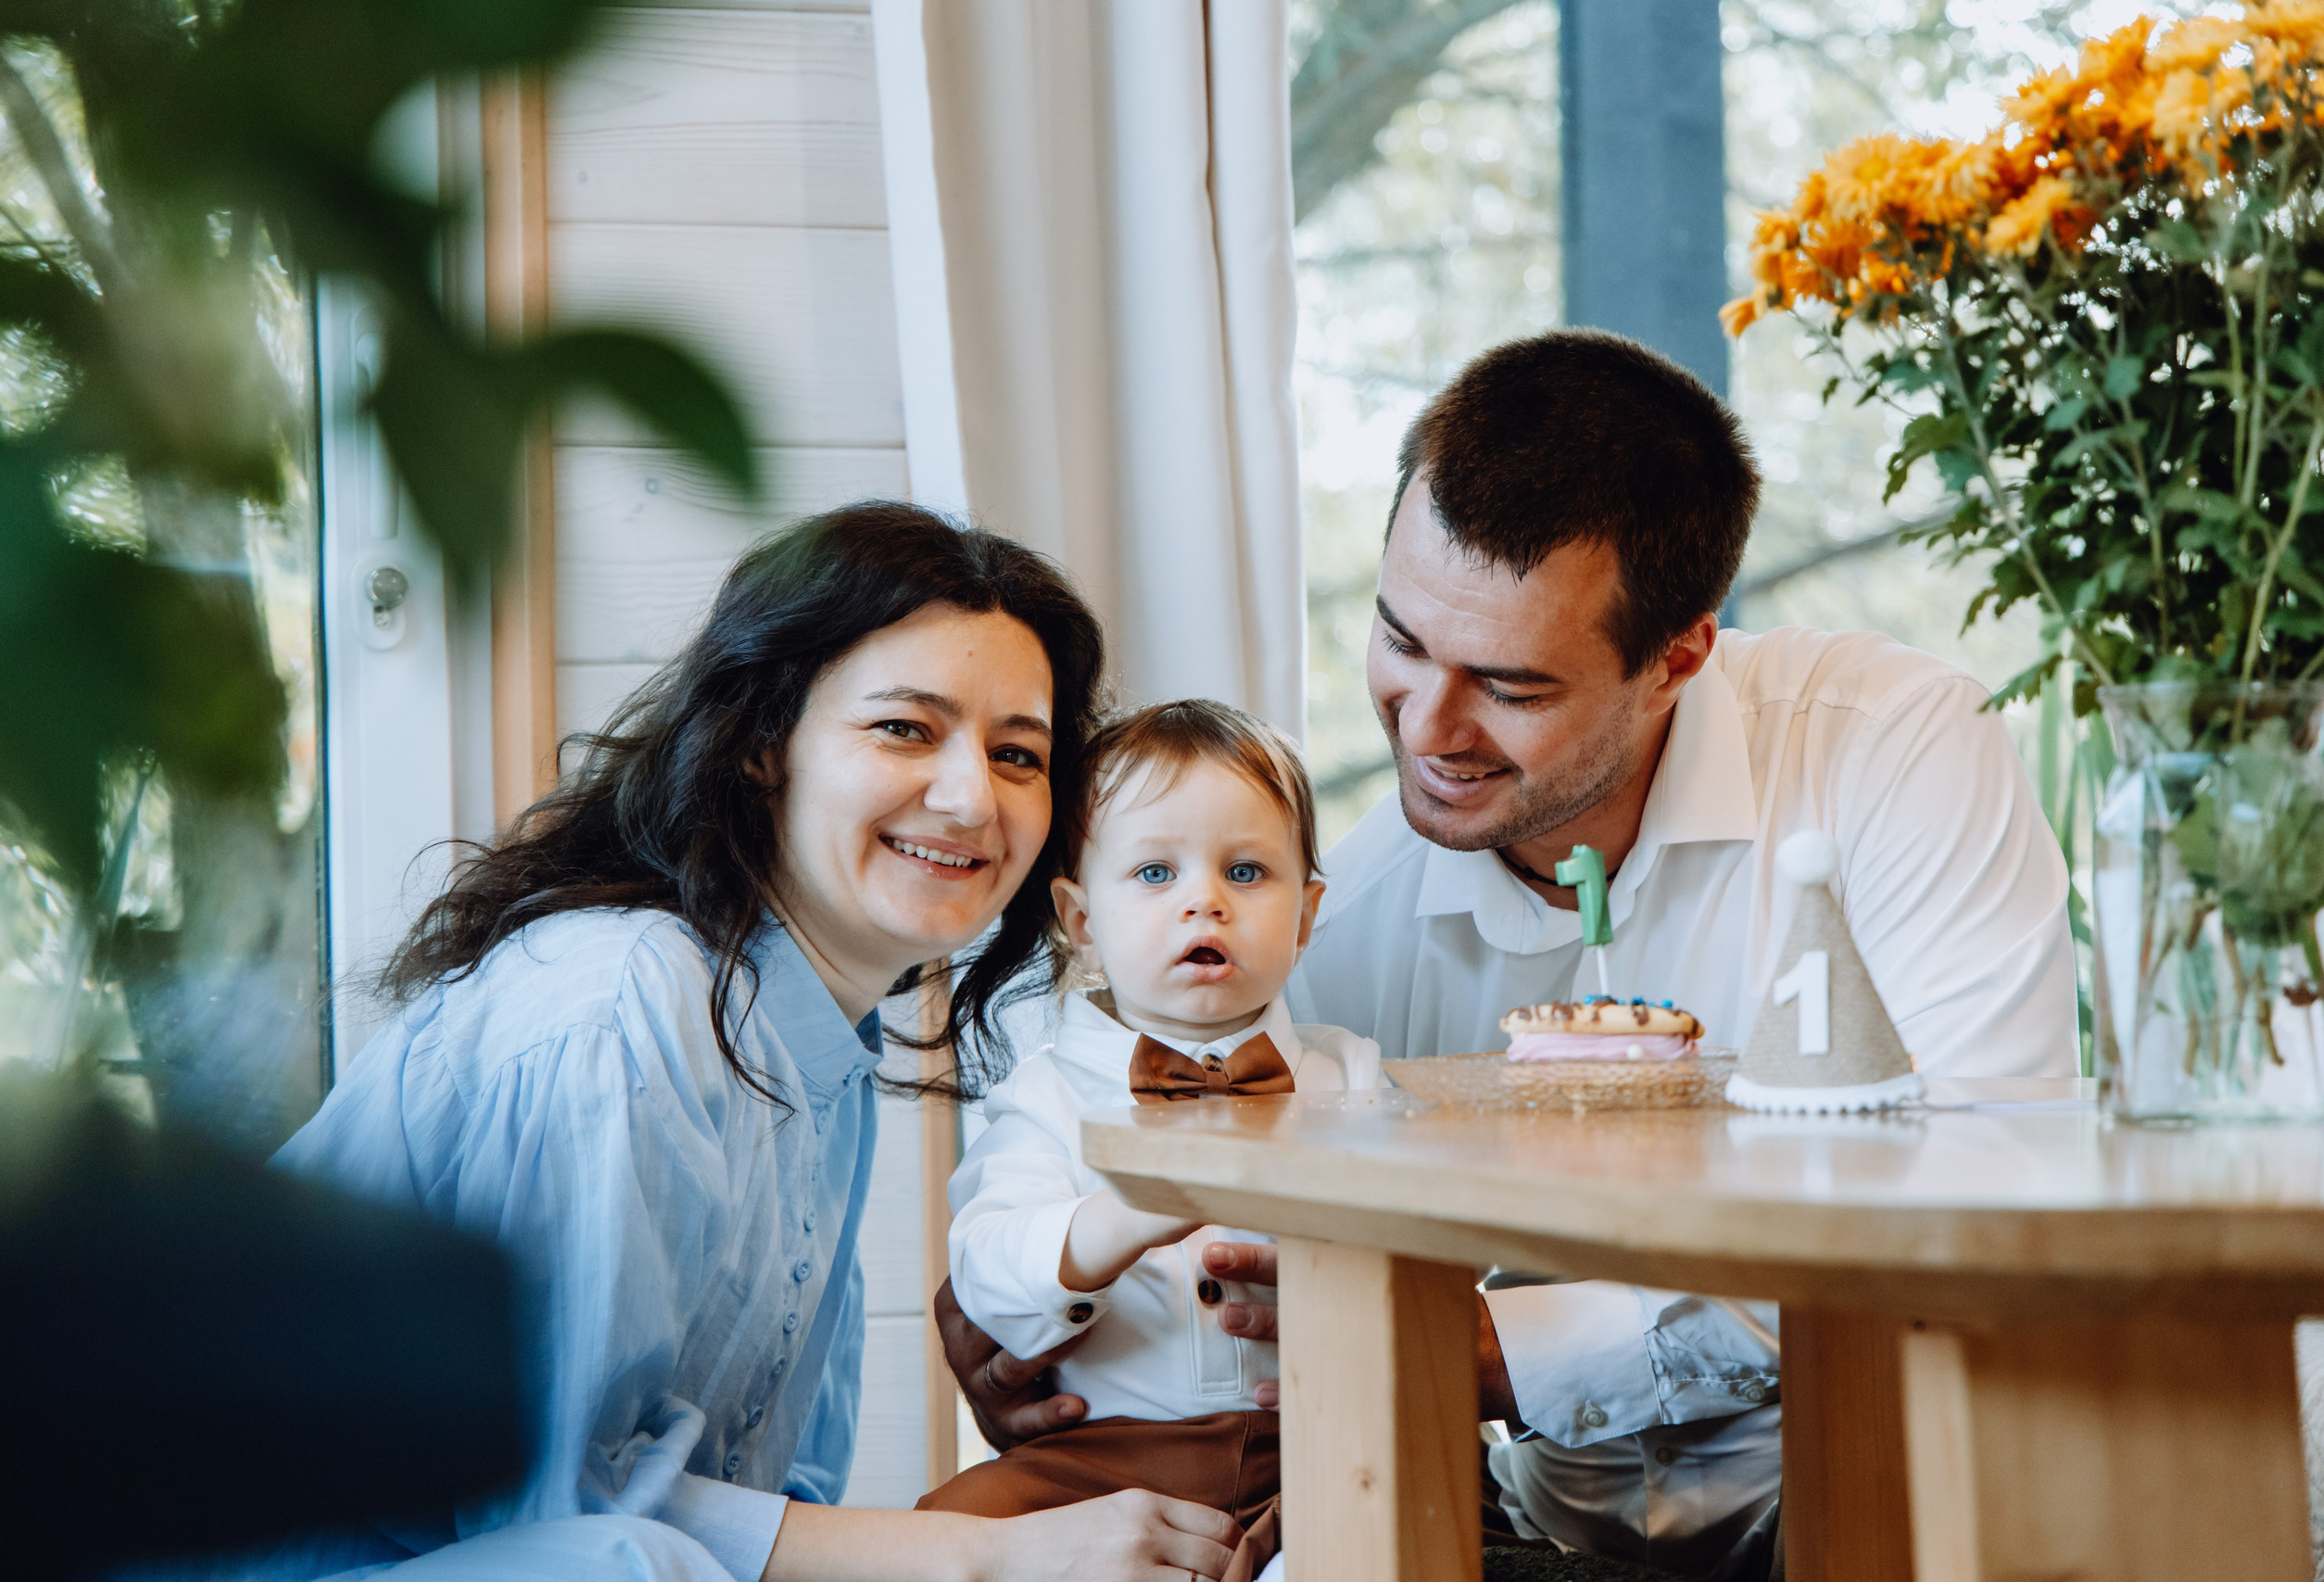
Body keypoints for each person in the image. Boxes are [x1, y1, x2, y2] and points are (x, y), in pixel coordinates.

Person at [941, 333, 2078, 1580]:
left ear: (1679, 656)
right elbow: (1189, 1187)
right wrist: (1019, 1295)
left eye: (1510, 684)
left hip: (1896, 1504)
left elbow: (1991, 1207)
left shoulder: (1891, 753)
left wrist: (1492, 1346)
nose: (1428, 730)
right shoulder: (1350, 904)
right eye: (1401, 640)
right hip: (1526, 1532)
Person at [198, 505, 1241, 1582]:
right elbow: (567, 1513)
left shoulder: (824, 1041)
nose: (972, 795)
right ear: (760, 743)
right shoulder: (619, 1001)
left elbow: (776, 1505)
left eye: (1017, 753)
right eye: (904, 729)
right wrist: (993, 1559)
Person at [916, 702, 1383, 1580]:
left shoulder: (1354, 1078)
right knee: (941, 1535)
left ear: (1307, 914)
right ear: (1082, 919)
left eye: (1246, 870)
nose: (1205, 898)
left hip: (1318, 1441)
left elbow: (1430, 1254)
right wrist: (1125, 1210)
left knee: (1383, 1545)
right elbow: (987, 1269)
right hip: (1093, 1459)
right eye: (1156, 872)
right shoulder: (1044, 1095)